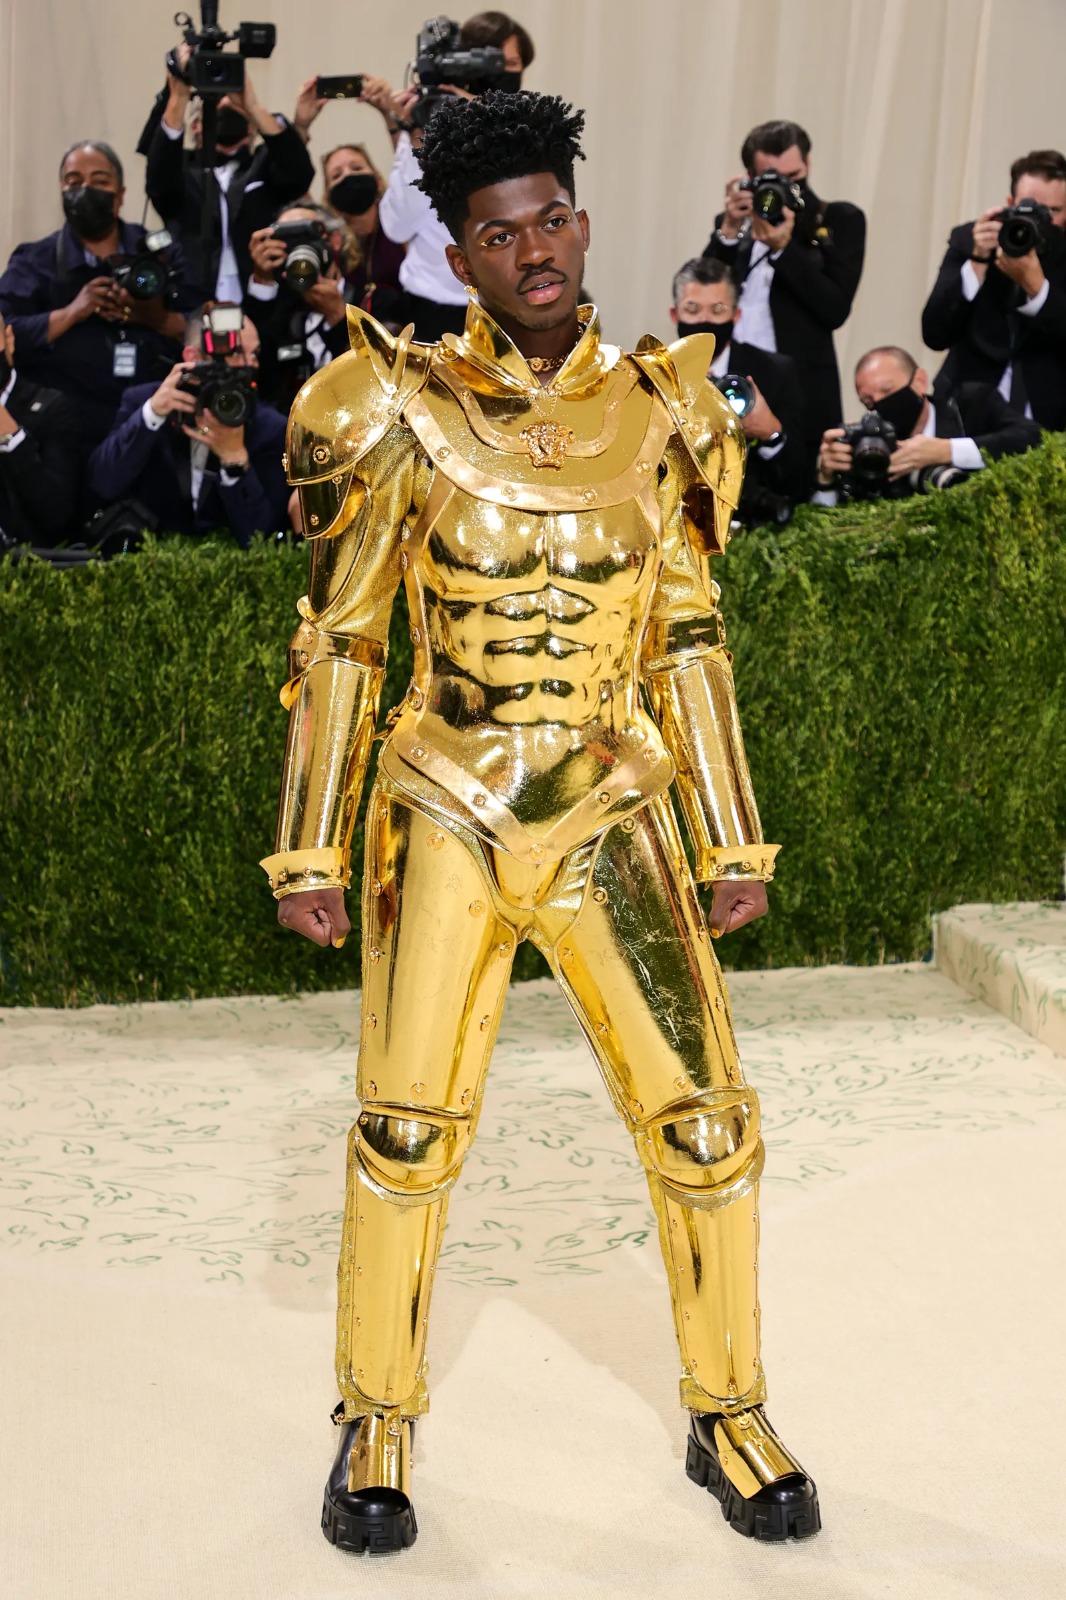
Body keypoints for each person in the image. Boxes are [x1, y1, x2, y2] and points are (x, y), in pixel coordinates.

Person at [262, 88, 819, 1556]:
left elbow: (686, 631)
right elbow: (344, 638)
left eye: (553, 220)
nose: (538, 251)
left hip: (611, 800)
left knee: (707, 1121)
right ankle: (376, 1412)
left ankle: (729, 1409)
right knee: (405, 1132)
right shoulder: (389, 404)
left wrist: (730, 835)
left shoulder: (663, 405)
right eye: (502, 235)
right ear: (459, 254)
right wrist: (311, 844)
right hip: (446, 798)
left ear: (580, 220)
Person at [0, 141, 196, 452]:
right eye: (74, 182)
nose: (86, 191)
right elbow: (8, 333)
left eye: (100, 181)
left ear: (120, 195)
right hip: (63, 433)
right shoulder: (34, 261)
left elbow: (201, 328)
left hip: (149, 426)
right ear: (61, 191)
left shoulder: (159, 255)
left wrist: (152, 317)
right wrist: (72, 313)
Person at [702, 119, 866, 469]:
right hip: (733, 383)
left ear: (808, 165)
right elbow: (703, 292)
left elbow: (834, 309)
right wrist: (728, 232)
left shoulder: (837, 219)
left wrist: (784, 249)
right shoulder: (735, 224)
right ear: (750, 177)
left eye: (794, 177)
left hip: (803, 388)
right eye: (772, 179)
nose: (786, 188)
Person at [362, 11, 535, 340]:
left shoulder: (526, 131)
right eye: (496, 63)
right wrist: (416, 133)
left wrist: (484, 120)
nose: (506, 74)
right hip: (430, 308)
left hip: (505, 308)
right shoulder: (429, 117)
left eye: (513, 65)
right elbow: (397, 225)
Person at [87, 306, 288, 546]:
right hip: (148, 556)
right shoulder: (142, 402)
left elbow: (264, 541)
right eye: (235, 353)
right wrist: (151, 415)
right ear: (193, 357)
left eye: (253, 354)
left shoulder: (270, 427)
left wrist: (235, 458)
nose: (248, 365)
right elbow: (103, 484)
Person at [144, 55, 315, 304]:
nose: (225, 103)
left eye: (232, 102)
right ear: (196, 126)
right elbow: (159, 185)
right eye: (216, 103)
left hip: (261, 303)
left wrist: (252, 107)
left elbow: (298, 174)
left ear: (252, 127)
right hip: (191, 303)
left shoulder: (263, 165)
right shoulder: (181, 169)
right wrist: (179, 97)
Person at [921, 149, 1066, 430]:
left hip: (1049, 416)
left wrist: (1037, 289)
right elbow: (934, 333)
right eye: (1028, 207)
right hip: (967, 410)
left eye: (1052, 211)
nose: (1039, 220)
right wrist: (977, 262)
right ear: (1009, 204)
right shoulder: (970, 239)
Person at [671, 257, 809, 520]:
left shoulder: (775, 373)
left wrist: (771, 433)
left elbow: (799, 481)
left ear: (736, 315)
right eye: (692, 309)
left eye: (717, 310)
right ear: (674, 314)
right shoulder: (654, 374)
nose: (705, 320)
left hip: (751, 523)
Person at [814, 344, 1039, 504]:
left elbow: (1032, 437)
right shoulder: (869, 446)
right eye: (869, 402)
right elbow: (824, 525)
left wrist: (946, 451)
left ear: (920, 381)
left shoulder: (972, 404)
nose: (881, 404)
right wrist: (826, 478)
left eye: (888, 391)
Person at [245, 202, 356, 412]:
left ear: (334, 241)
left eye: (306, 235)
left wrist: (339, 317)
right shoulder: (280, 312)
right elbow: (261, 378)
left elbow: (379, 374)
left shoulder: (374, 300)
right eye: (288, 239)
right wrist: (262, 280)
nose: (299, 248)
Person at [0, 311, 82, 550]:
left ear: (9, 339)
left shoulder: (53, 408)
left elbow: (56, 514)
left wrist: (13, 439)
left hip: (27, 562)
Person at [322, 144, 406, 327]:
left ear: (378, 180)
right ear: (328, 197)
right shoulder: (331, 248)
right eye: (336, 175)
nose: (348, 176)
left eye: (357, 168)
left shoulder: (403, 226)